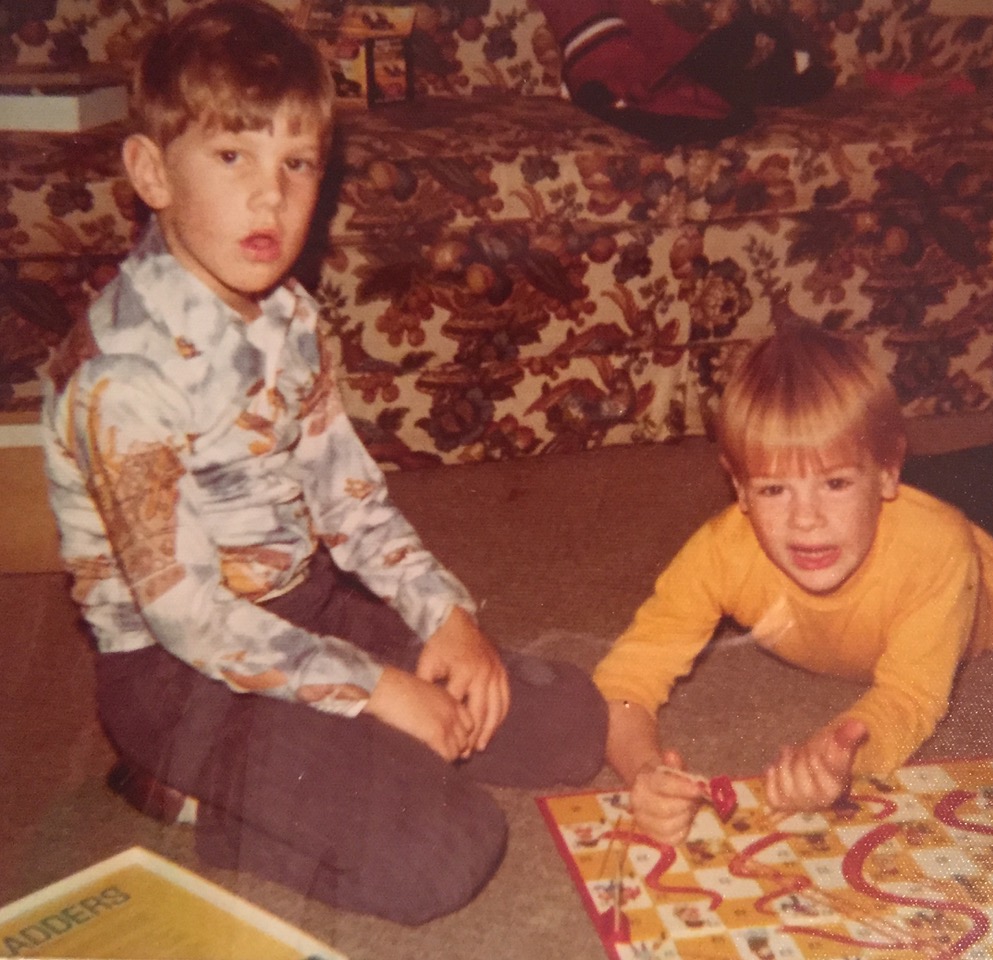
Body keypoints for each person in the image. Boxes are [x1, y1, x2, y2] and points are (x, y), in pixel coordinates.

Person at [41, 0, 606, 926]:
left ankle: (345, 760)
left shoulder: (292, 319)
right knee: (442, 852)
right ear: (152, 172)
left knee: (567, 721)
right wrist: (378, 690)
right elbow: (189, 619)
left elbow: (350, 503)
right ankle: (192, 798)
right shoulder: (123, 379)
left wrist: (444, 616)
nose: (270, 196)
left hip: (304, 608)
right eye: (233, 158)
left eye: (295, 163)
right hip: (178, 676)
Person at [592, 323, 993, 844]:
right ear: (739, 488)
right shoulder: (721, 551)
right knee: (954, 475)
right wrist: (642, 769)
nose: (806, 520)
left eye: (834, 485)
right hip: (908, 509)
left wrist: (838, 756)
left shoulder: (936, 547)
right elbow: (625, 679)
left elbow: (910, 696)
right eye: (774, 489)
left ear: (884, 474)